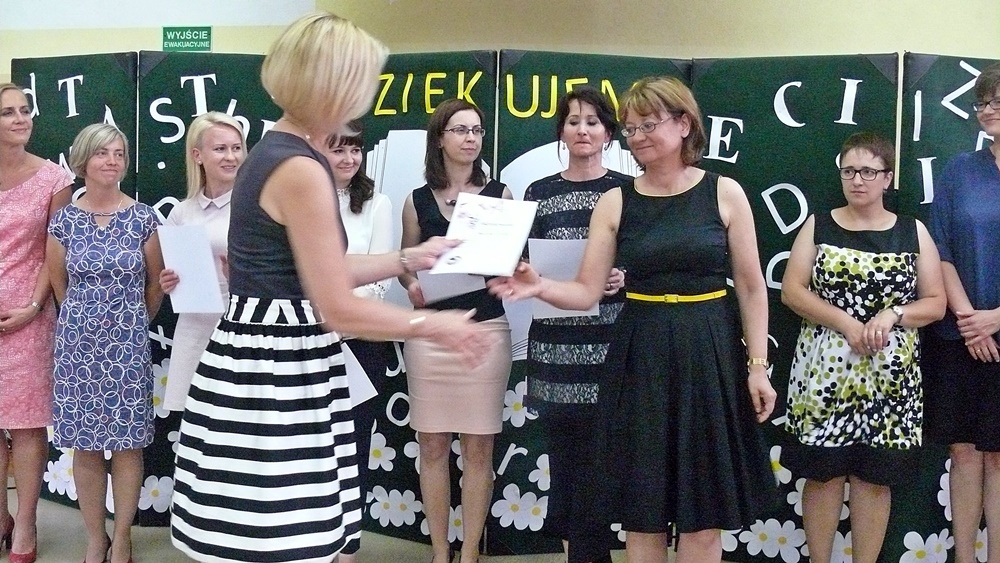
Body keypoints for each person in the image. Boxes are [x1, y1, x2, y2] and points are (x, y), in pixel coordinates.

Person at [168, 13, 488, 563]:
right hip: (279, 375)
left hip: (261, 360)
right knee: (284, 537)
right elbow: (337, 306)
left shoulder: (273, 151)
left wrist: (406, 257)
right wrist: (436, 324)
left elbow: (319, 269)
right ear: (335, 84)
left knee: (265, 535)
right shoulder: (300, 169)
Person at [488, 76, 776, 563]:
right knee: (643, 512)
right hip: (640, 355)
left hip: (709, 352)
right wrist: (539, 286)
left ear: (684, 124)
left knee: (704, 514)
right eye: (630, 128)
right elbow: (587, 290)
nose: (637, 136)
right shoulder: (617, 200)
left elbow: (750, 286)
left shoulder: (724, 192)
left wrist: (758, 366)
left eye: (648, 125)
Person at [781, 132, 945, 563]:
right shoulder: (818, 225)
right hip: (823, 377)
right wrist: (847, 324)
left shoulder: (912, 231)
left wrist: (893, 314)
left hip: (890, 383)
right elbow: (792, 291)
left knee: (875, 478)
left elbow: (936, 302)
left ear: (888, 178)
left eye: (869, 172)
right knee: (823, 476)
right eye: (850, 171)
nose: (857, 180)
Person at [398, 98, 513, 563]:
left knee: (479, 447)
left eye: (477, 130)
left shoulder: (499, 194)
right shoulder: (416, 199)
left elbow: (511, 262)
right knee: (432, 445)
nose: (471, 138)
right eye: (461, 130)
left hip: (485, 331)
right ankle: (440, 551)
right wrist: (411, 285)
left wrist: (506, 272)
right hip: (430, 335)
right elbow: (405, 262)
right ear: (440, 138)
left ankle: (469, 553)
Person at [47, 123, 165, 563]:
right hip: (77, 347)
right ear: (83, 161)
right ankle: (96, 537)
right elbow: (59, 286)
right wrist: (88, 323)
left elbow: (154, 285)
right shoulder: (63, 221)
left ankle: (123, 536)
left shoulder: (143, 218)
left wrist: (128, 324)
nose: (112, 161)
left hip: (128, 346)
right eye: (102, 153)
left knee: (128, 445)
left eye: (118, 153)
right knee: (86, 445)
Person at [521, 86, 629, 563]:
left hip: (611, 345)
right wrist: (531, 273)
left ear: (608, 133)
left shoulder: (628, 190)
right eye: (573, 121)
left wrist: (624, 275)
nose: (582, 130)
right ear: (561, 132)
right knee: (564, 461)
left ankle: (590, 554)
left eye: (592, 121)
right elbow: (523, 259)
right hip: (555, 347)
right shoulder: (538, 192)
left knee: (603, 465)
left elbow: (644, 255)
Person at [924, 61, 1000, 563]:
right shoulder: (958, 170)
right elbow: (941, 249)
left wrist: (997, 318)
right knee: (964, 451)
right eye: (980, 103)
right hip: (961, 336)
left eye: (996, 101)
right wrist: (972, 321)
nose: (986, 110)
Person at [0, 82, 73, 563]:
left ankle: (25, 522)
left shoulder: (54, 178)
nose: (21, 118)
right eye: (8, 112)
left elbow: (56, 252)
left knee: (27, 427)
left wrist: (32, 305)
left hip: (29, 314)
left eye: (25, 110)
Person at [323, 119, 396, 560]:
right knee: (312, 448)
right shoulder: (302, 199)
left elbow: (381, 278)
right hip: (308, 341)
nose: (350, 159)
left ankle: (348, 547)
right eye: (339, 150)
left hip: (359, 342)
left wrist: (338, 314)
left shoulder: (376, 203)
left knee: (353, 447)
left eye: (355, 149)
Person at [158, 112, 245, 411]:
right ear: (197, 155)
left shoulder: (255, 208)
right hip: (194, 328)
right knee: (195, 420)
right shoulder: (182, 213)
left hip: (239, 328)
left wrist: (241, 275)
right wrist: (168, 281)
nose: (231, 157)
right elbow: (172, 275)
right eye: (220, 149)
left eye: (237, 148)